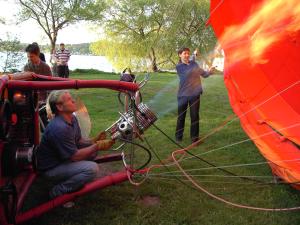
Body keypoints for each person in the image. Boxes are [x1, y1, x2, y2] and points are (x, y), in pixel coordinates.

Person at [36, 90, 115, 199]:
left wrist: (93, 141)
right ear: (59, 107)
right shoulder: (59, 128)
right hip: (51, 168)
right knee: (92, 169)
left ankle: (73, 175)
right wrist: (97, 145)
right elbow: (75, 156)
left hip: (61, 159)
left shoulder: (72, 118)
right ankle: (57, 191)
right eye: (69, 100)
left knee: (92, 152)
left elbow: (78, 141)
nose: (73, 101)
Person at [175, 47, 214, 144]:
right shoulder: (179, 66)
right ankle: (178, 137)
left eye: (188, 53)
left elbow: (204, 74)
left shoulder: (194, 64)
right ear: (180, 55)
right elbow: (189, 71)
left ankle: (194, 138)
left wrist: (210, 71)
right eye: (185, 53)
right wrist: (193, 56)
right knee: (181, 117)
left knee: (195, 116)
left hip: (195, 94)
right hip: (183, 95)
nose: (187, 55)